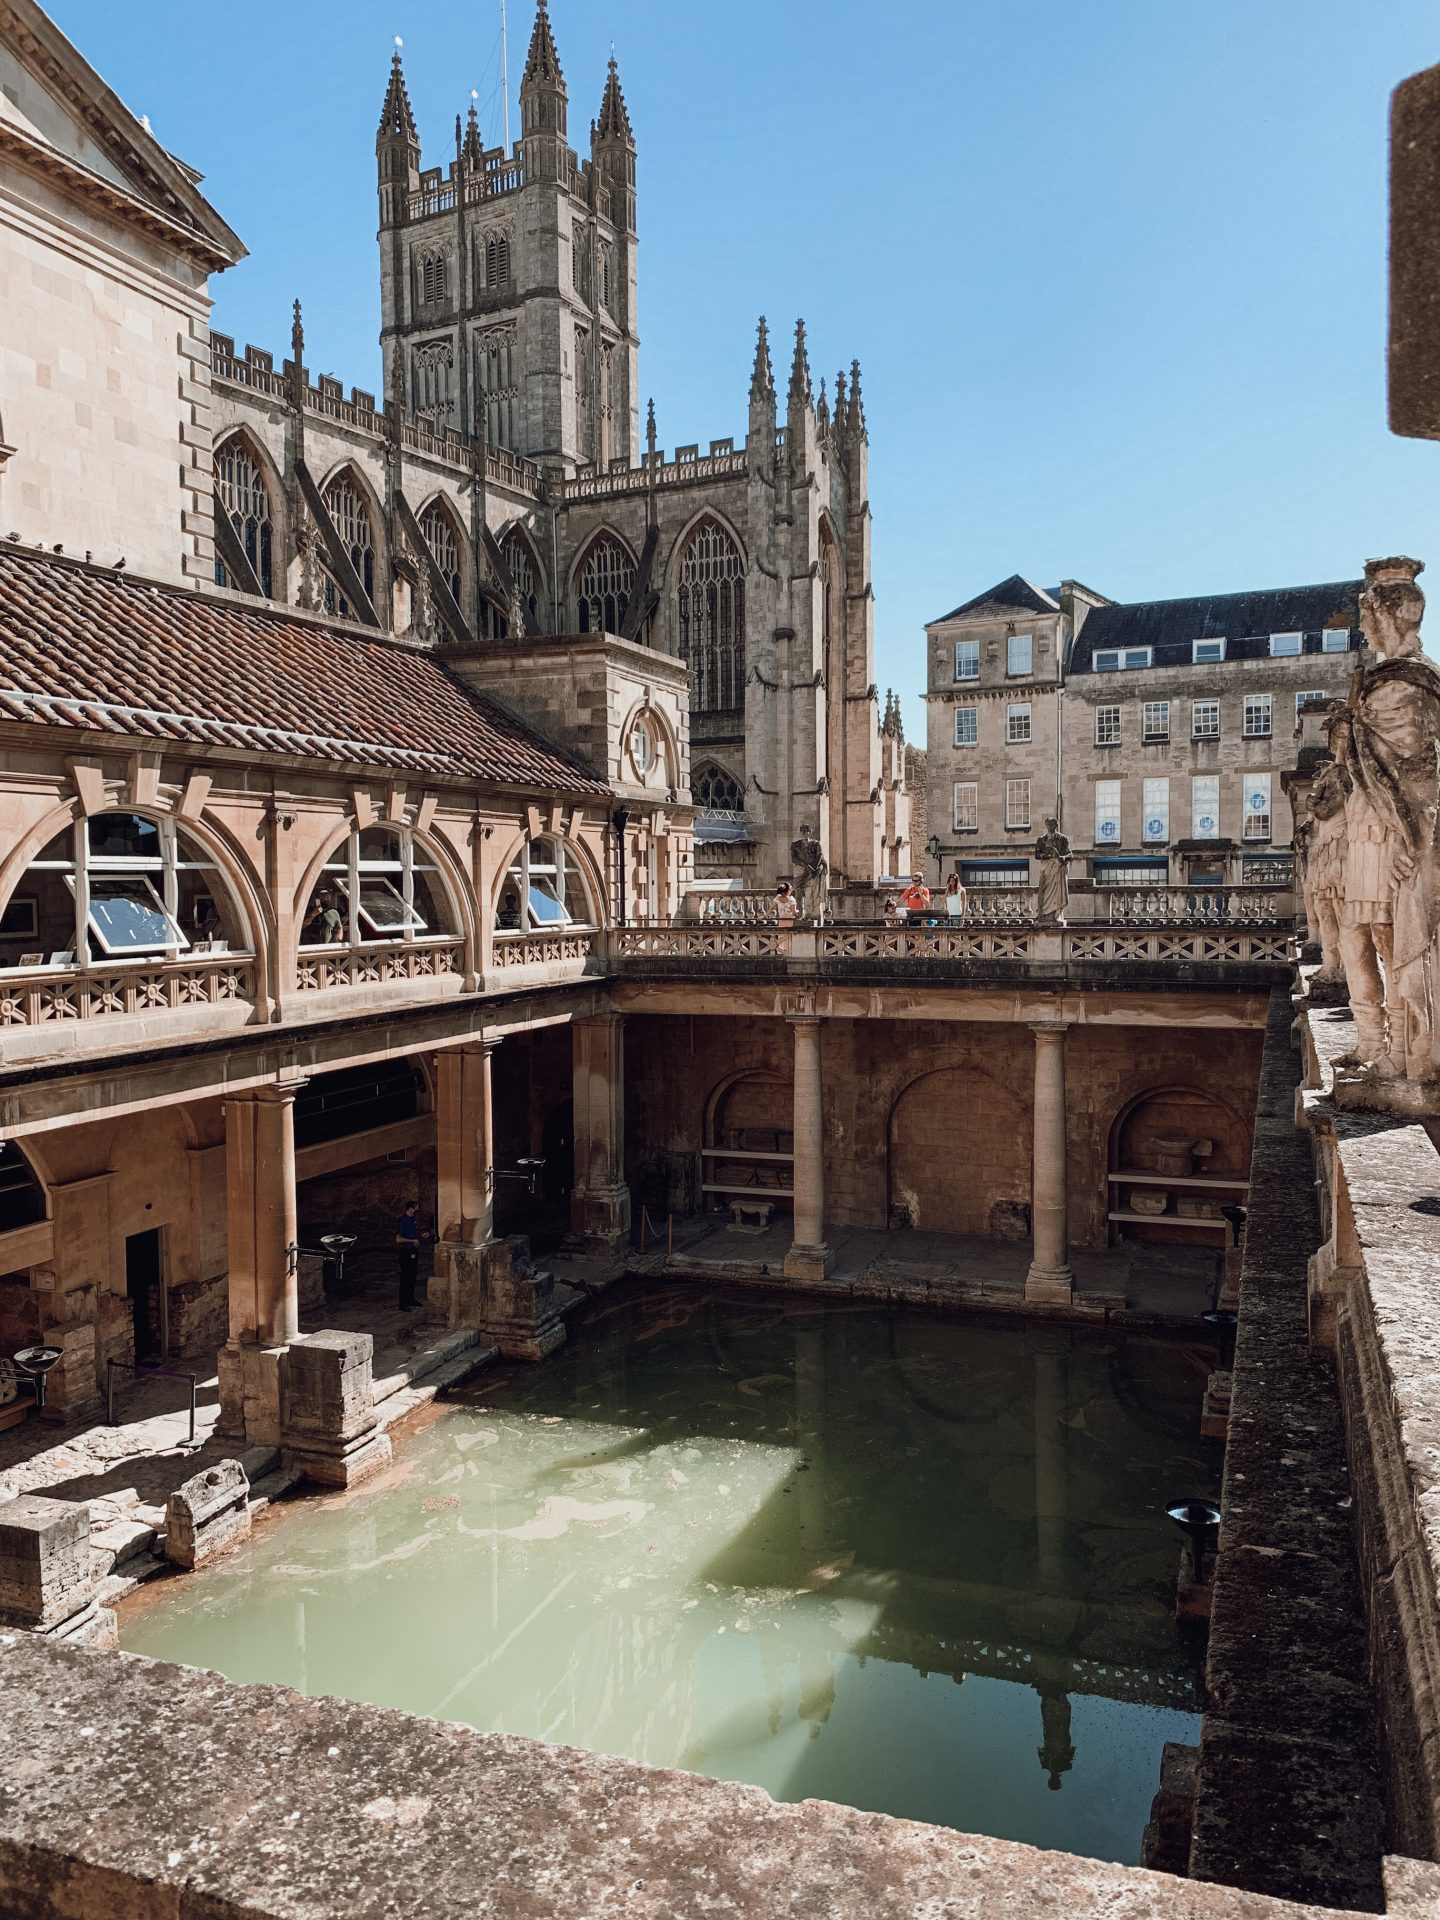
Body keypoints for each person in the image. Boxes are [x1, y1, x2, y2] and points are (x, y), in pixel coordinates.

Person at [1034, 818, 1072, 924]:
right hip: (1046, 869)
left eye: (1052, 824)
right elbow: (1037, 855)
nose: (1050, 826)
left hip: (1058, 868)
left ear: (1056, 825)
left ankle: (1056, 915)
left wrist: (1061, 858)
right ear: (1046, 825)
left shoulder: (1063, 838)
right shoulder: (1041, 839)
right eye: (1048, 824)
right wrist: (1049, 855)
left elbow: (1070, 854)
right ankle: (1042, 914)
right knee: (1043, 890)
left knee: (1057, 892)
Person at [395, 1200, 423, 1313]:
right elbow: (398, 1239)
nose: (417, 1210)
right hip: (405, 1252)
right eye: (416, 1208)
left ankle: (410, 1299)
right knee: (405, 1277)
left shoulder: (413, 1220)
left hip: (413, 1251)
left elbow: (414, 1234)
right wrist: (412, 1241)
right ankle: (403, 1303)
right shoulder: (403, 1221)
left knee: (412, 1276)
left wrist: (421, 1236)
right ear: (410, 1208)